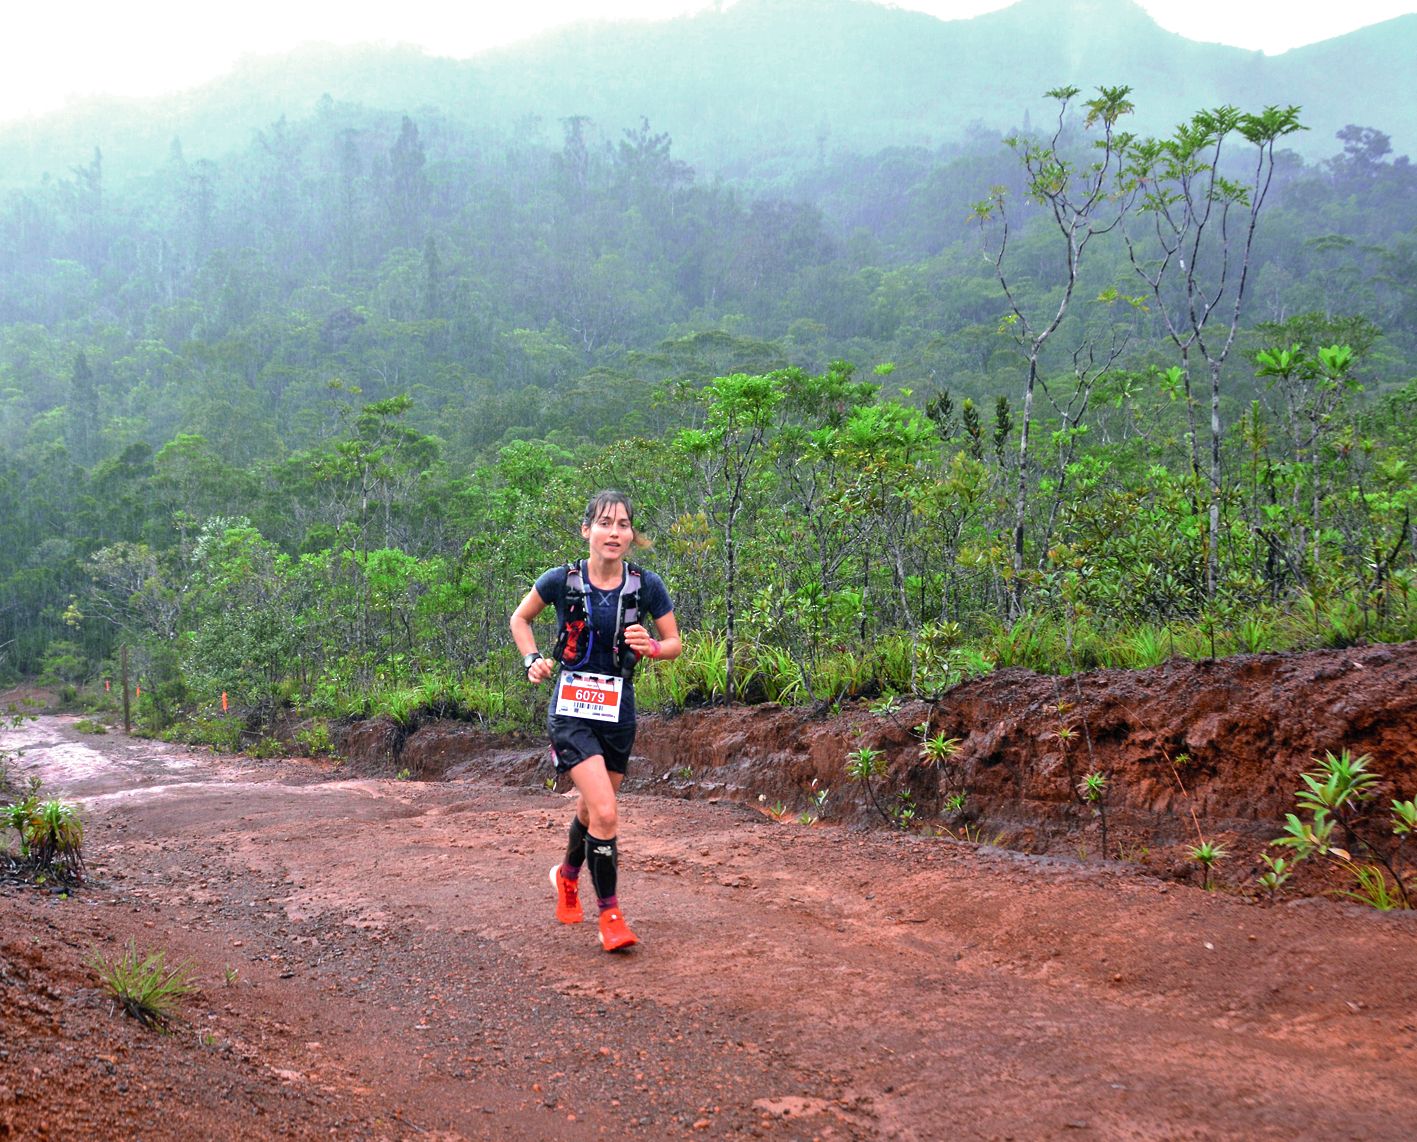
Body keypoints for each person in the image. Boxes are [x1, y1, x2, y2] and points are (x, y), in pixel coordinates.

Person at [509, 490, 680, 951]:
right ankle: (611, 917)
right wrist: (532, 660)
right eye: (605, 523)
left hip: (618, 712)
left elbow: (673, 643)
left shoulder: (647, 586)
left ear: (631, 535)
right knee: (606, 811)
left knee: (590, 810)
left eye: (624, 525)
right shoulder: (560, 581)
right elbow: (520, 619)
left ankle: (566, 875)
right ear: (587, 530)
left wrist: (653, 647)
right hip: (570, 712)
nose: (615, 532)